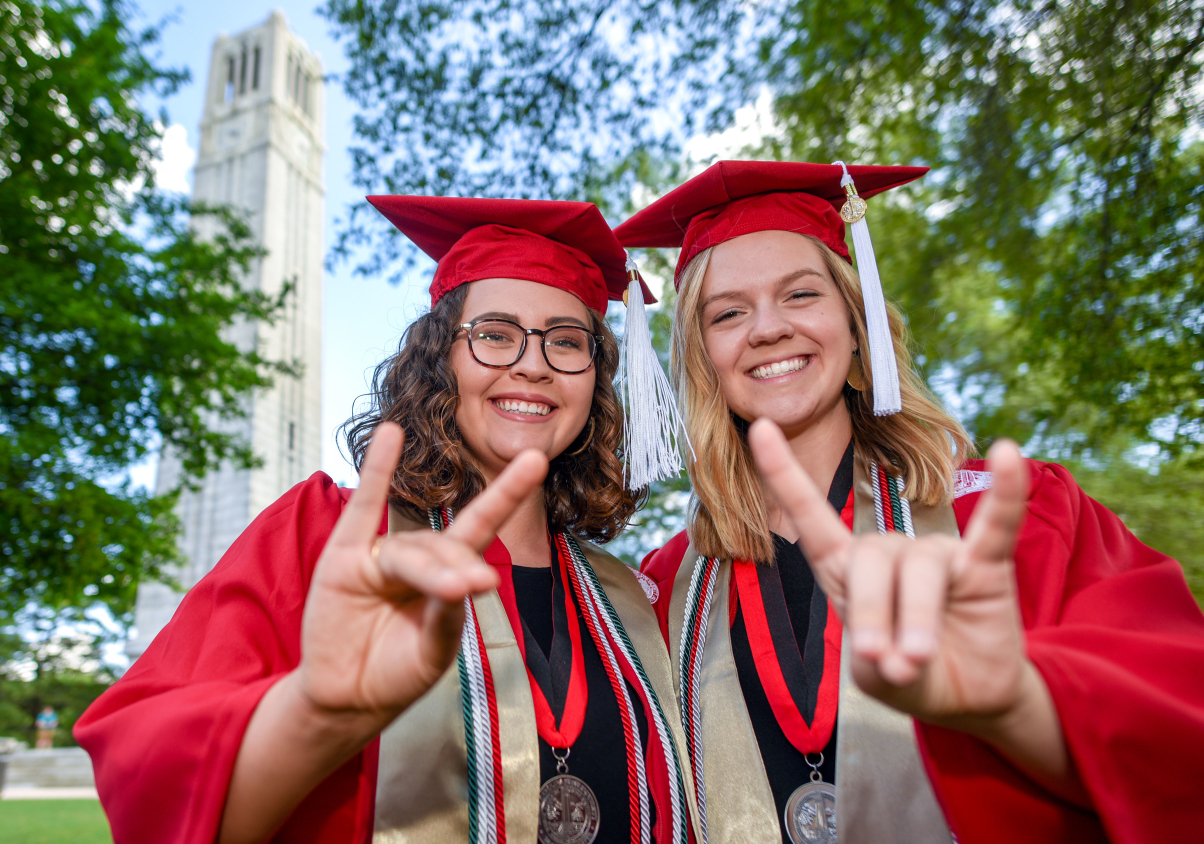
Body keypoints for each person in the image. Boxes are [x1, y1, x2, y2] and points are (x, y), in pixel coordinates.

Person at [75, 196, 702, 844]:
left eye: (567, 342)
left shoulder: (629, 599)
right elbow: (152, 796)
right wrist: (318, 714)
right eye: (493, 334)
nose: (533, 363)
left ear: (594, 380)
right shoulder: (322, 538)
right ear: (439, 359)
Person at [614, 160, 1204, 844]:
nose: (768, 328)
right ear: (700, 356)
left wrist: (1016, 704)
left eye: (801, 295)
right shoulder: (663, 590)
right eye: (728, 312)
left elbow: (1177, 722)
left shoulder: (1008, 517)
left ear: (857, 324)